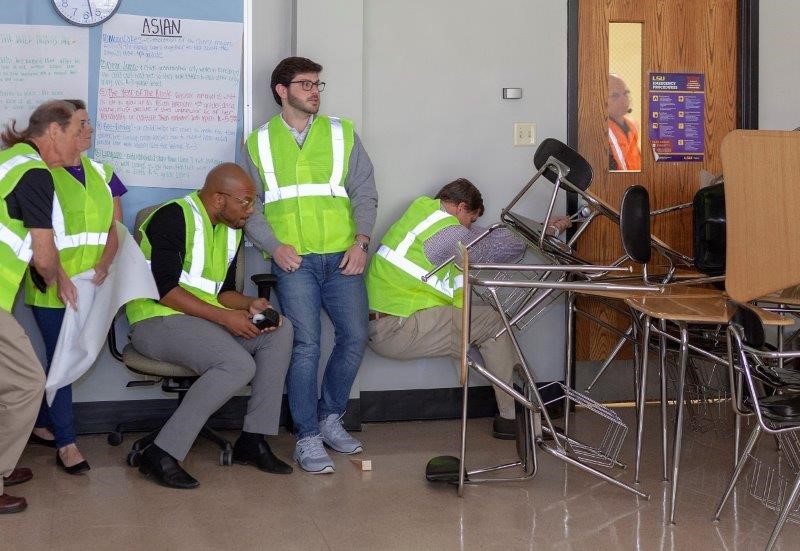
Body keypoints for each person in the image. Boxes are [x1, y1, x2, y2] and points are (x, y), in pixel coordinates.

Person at [243, 56, 378, 474]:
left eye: (318, 84)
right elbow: (251, 207)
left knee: (355, 336)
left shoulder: (342, 134)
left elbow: (365, 193)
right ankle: (306, 436)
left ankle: (330, 417)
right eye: (305, 84)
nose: (315, 91)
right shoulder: (259, 142)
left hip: (342, 255)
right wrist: (274, 247)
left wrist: (361, 243)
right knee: (305, 346)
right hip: (294, 260)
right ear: (282, 91)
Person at [125, 163, 293, 489]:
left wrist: (248, 306)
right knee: (237, 364)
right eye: (245, 201)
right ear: (218, 199)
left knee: (281, 331)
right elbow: (165, 291)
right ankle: (160, 453)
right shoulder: (172, 217)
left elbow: (223, 293)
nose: (251, 209)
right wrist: (225, 317)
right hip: (157, 321)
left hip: (205, 320)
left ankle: (253, 439)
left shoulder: (230, 228)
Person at [365, 179, 571, 438]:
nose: (470, 226)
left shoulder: (423, 212)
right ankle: (515, 412)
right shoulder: (447, 234)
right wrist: (547, 230)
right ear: (461, 207)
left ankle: (528, 400)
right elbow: (494, 247)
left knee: (486, 317)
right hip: (398, 328)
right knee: (495, 323)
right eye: (471, 219)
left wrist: (540, 226)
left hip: (389, 321)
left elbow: (480, 237)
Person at [23, 100, 126, 474]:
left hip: (95, 283)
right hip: (53, 285)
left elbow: (117, 228)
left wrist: (104, 264)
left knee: (66, 360)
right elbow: (40, 237)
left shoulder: (104, 172)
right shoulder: (42, 172)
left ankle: (40, 423)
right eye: (82, 125)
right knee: (62, 359)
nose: (89, 131)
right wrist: (62, 278)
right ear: (62, 131)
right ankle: (67, 443)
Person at [1, 100, 82, 512]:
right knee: (28, 382)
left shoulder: (10, 161)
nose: (81, 144)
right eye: (77, 131)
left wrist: (54, 273)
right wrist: (56, 280)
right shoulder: (35, 175)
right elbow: (44, 256)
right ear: (54, 131)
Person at [608, 74, 642, 171]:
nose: (624, 100)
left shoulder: (633, 125)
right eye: (615, 95)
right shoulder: (602, 130)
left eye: (626, 93)